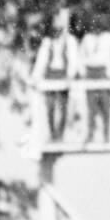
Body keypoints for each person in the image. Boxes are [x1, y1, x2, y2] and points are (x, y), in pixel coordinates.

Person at [32, 9, 81, 141]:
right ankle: (52, 134)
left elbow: (73, 60)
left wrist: (70, 76)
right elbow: (41, 61)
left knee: (62, 106)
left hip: (62, 75)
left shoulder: (70, 41)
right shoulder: (48, 42)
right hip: (50, 75)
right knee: (50, 106)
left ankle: (59, 135)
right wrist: (36, 77)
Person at [78, 9, 110, 143]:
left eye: (99, 24)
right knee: (91, 106)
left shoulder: (109, 38)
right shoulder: (87, 38)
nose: (96, 26)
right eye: (94, 24)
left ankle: (107, 134)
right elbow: (81, 56)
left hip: (103, 71)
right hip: (90, 71)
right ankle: (90, 134)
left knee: (105, 105)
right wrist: (83, 71)